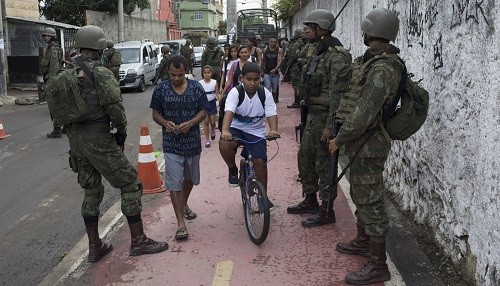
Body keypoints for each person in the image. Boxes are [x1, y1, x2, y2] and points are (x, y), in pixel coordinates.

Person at [66, 25, 168, 262]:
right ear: (100, 48)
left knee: (91, 190)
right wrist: (120, 134)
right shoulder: (100, 73)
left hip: (76, 140)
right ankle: (139, 241)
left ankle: (95, 246)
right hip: (98, 139)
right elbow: (115, 109)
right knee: (131, 184)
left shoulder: (66, 73)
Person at [328, 8, 402, 285]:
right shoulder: (375, 61)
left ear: (370, 32)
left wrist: (340, 139)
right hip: (364, 140)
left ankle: (378, 264)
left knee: (370, 198)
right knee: (361, 192)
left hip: (370, 142)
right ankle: (362, 240)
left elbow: (364, 112)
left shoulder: (383, 67)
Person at [286, 9, 352, 228]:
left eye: (310, 27)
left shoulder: (337, 56)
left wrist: (330, 125)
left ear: (321, 28)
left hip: (325, 117)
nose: (306, 30)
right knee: (305, 159)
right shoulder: (318, 51)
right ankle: (310, 199)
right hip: (312, 115)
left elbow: (338, 93)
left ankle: (327, 210)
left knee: (325, 164)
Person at [150, 55, 208, 240]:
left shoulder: (196, 88)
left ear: (186, 72)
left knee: (190, 179)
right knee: (174, 182)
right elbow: (155, 114)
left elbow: (204, 111)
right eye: (173, 75)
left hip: (192, 143)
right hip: (171, 143)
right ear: (168, 72)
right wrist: (165, 123)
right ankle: (180, 223)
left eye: (180, 75)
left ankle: (184, 204)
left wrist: (191, 123)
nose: (176, 78)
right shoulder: (160, 89)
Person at [218, 62, 279, 208]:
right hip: (236, 128)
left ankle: (263, 197)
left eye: (256, 79)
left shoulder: (265, 94)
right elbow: (229, 113)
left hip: (256, 131)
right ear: (241, 79)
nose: (252, 83)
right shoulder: (235, 93)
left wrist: (274, 130)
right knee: (225, 144)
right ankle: (232, 169)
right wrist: (225, 131)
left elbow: (271, 114)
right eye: (248, 79)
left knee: (260, 162)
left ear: (260, 79)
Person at [41, 27, 64, 138]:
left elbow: (54, 67)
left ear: (53, 37)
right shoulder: (53, 48)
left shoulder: (53, 49)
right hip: (55, 78)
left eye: (48, 36)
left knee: (54, 104)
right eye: (45, 36)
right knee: (60, 103)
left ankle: (57, 130)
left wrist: (51, 82)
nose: (46, 38)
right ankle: (65, 127)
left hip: (52, 79)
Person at [199, 65, 219, 147]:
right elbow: (199, 94)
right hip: (204, 104)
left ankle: (213, 130)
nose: (206, 74)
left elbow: (217, 93)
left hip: (212, 103)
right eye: (205, 73)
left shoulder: (214, 82)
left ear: (211, 73)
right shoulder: (200, 83)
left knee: (213, 122)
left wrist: (219, 99)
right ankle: (207, 139)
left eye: (208, 73)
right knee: (206, 122)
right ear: (203, 74)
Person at [286, 28, 306, 108]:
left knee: (296, 83)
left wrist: (289, 64)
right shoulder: (303, 43)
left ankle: (297, 101)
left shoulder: (297, 44)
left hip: (296, 66)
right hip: (300, 66)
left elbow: (293, 56)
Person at [261, 35, 284, 103]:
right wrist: (261, 71)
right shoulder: (265, 50)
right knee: (267, 87)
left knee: (274, 89)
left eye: (275, 42)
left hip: (275, 73)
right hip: (267, 72)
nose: (273, 43)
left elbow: (280, 61)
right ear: (269, 42)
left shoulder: (279, 50)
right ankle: (268, 101)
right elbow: (263, 61)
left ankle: (274, 101)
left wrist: (276, 69)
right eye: (272, 41)